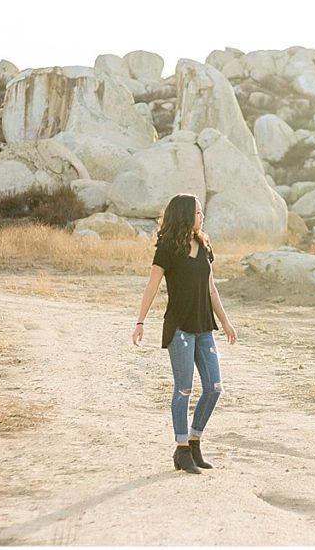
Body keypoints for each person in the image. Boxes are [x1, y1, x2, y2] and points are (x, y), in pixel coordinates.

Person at [132, 193, 237, 475]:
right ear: (184, 215)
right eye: (198, 212)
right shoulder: (167, 248)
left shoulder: (204, 245)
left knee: (214, 387)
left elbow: (211, 288)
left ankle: (194, 440)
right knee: (184, 388)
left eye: (202, 212)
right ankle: (181, 449)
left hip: (204, 326)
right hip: (179, 326)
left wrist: (226, 322)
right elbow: (151, 286)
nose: (202, 217)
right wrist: (140, 321)